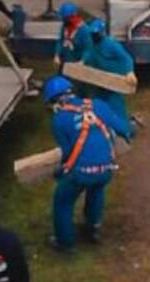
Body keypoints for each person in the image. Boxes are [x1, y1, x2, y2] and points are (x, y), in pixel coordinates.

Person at [44, 75, 132, 251]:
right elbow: (124, 129)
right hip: (106, 168)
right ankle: (93, 229)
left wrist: (60, 172)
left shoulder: (60, 120)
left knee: (63, 201)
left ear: (55, 101)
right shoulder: (99, 105)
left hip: (81, 172)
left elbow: (68, 153)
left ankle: (65, 242)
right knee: (97, 190)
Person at [79, 19, 135, 128]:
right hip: (98, 80)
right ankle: (104, 127)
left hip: (112, 82)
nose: (94, 36)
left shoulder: (111, 44)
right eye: (92, 34)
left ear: (102, 32)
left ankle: (125, 130)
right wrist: (82, 61)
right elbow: (88, 53)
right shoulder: (91, 43)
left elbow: (126, 58)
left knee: (116, 106)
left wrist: (129, 71)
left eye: (96, 34)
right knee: (99, 105)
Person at [53, 3, 86, 68]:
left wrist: (82, 61)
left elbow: (88, 49)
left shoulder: (84, 30)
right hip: (64, 61)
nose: (63, 21)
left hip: (77, 63)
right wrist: (57, 55)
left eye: (65, 19)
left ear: (73, 16)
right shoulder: (65, 26)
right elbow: (60, 41)